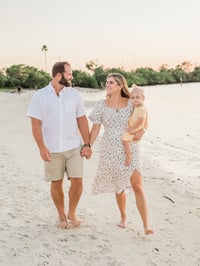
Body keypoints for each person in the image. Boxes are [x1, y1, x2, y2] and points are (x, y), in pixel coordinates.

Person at [27, 61, 92, 229]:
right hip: (52, 149)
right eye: (69, 73)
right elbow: (35, 124)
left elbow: (82, 121)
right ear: (58, 75)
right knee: (56, 183)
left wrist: (87, 144)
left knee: (77, 181)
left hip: (73, 147)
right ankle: (61, 215)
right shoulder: (39, 96)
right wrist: (41, 147)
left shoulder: (75, 95)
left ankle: (72, 212)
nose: (71, 76)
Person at [88, 73, 153, 235]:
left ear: (120, 86)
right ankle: (123, 216)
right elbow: (96, 128)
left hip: (131, 146)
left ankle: (146, 225)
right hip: (110, 148)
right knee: (119, 186)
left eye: (111, 82)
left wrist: (143, 131)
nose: (107, 84)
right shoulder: (101, 105)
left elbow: (145, 117)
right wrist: (87, 145)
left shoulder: (132, 103)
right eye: (107, 82)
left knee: (137, 185)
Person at [121, 85, 148, 166]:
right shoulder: (136, 106)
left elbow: (141, 120)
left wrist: (133, 129)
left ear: (143, 99)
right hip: (133, 128)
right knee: (125, 141)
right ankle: (129, 155)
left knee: (125, 140)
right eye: (133, 98)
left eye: (137, 97)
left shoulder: (142, 108)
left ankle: (128, 156)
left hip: (135, 129)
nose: (135, 99)